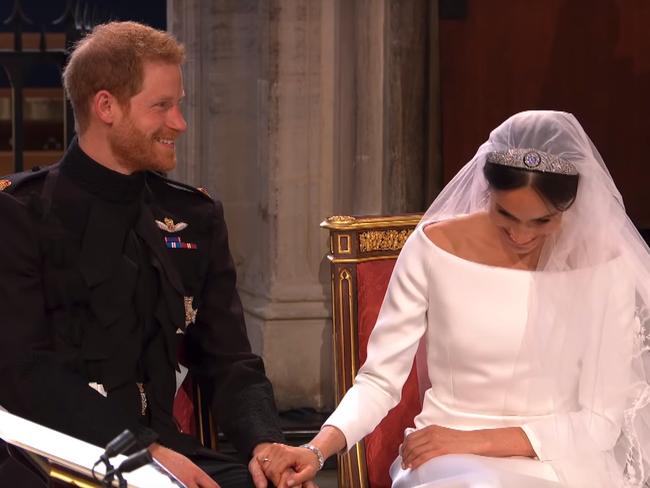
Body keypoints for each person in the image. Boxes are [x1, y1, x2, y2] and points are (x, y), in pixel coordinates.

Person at [254, 110, 650, 487]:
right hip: (444, 462)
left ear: (570, 208)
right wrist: (316, 450)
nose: (522, 236)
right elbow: (379, 381)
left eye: (542, 221)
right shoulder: (433, 249)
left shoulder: (607, 267)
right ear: (487, 190)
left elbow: (601, 422)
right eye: (505, 215)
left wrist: (473, 440)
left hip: (561, 462)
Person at [0, 21, 302, 488]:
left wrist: (265, 443)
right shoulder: (20, 215)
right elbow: (25, 374)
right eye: (161, 106)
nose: (179, 123)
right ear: (106, 107)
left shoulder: (193, 216)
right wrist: (142, 450)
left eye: (178, 104)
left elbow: (229, 359)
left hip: (162, 448)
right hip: (50, 452)